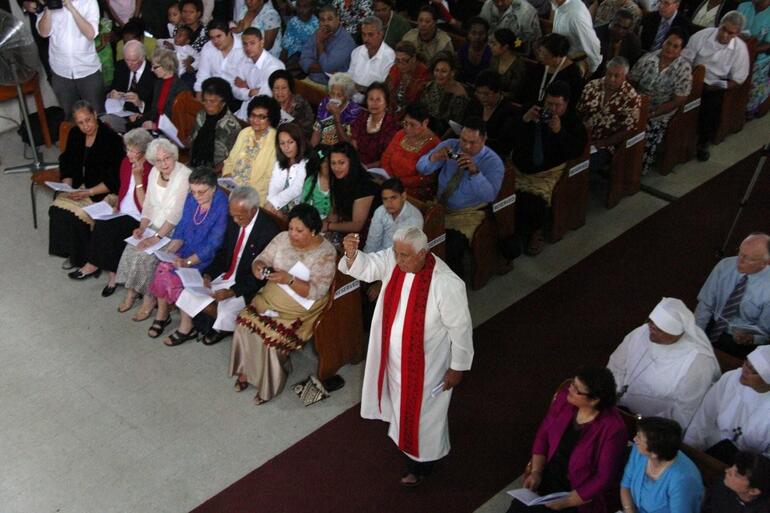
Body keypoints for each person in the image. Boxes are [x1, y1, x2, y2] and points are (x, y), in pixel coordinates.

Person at [339, 226, 474, 487]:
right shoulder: (395, 260)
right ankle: (408, 448)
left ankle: (422, 465)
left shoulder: (445, 283)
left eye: (404, 256)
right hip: (394, 359)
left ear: (423, 253)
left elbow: (461, 329)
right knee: (402, 409)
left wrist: (458, 367)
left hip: (427, 365)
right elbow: (370, 266)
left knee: (424, 417)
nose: (398, 261)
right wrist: (352, 254)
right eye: (396, 253)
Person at [230, 204, 337, 404]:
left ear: (313, 231)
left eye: (299, 231)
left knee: (271, 340)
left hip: (300, 307)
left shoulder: (325, 253)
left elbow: (317, 292)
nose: (293, 234)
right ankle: (246, 371)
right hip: (272, 294)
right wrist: (259, 267)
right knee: (244, 324)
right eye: (290, 228)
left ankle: (267, 385)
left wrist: (289, 279)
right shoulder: (282, 239)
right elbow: (262, 258)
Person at [506, 367, 628, 513]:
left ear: (594, 400)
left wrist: (568, 501)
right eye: (572, 384)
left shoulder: (613, 428)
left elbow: (604, 476)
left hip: (579, 492)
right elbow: (543, 434)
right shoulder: (565, 399)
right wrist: (536, 471)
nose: (570, 389)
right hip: (550, 476)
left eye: (577, 389)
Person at [607, 297, 721, 429]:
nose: (650, 330)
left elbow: (684, 410)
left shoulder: (699, 361)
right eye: (651, 323)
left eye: (659, 329)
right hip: (617, 407)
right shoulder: (642, 332)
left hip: (653, 426)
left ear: (675, 333)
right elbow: (616, 366)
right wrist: (612, 396)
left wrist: (648, 427)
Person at [143, 167, 227, 344]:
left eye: (201, 192)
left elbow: (214, 243)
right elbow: (182, 227)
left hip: (206, 257)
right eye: (193, 191)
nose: (196, 196)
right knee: (163, 266)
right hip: (186, 248)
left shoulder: (222, 206)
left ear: (213, 188)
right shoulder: (191, 199)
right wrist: (171, 250)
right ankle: (162, 313)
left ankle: (186, 326)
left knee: (177, 276)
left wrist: (188, 262)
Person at [192, 186, 282, 345]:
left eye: (239, 217)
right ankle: (216, 321)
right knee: (192, 290)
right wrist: (208, 274)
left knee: (226, 311)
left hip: (245, 282)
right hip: (227, 273)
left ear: (252, 211)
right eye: (232, 215)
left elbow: (261, 277)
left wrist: (233, 292)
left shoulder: (268, 232)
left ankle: (220, 326)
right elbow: (223, 253)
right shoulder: (234, 218)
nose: (234, 221)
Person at [417, 117, 504, 277]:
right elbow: (421, 168)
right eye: (463, 140)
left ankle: (455, 282)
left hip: (468, 213)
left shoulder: (493, 162)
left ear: (483, 139)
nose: (466, 146)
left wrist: (475, 173)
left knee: (451, 246)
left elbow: (490, 195)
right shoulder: (451, 145)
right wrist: (433, 158)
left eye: (472, 142)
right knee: (419, 238)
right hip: (440, 205)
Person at [71, 128, 154, 297]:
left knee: (109, 227)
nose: (128, 154)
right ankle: (95, 263)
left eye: (132, 150)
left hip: (140, 215)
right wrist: (117, 204)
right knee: (102, 220)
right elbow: (123, 187)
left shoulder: (151, 169)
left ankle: (109, 272)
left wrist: (138, 179)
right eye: (127, 149)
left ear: (144, 151)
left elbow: (147, 205)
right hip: (124, 208)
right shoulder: (125, 162)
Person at [116, 138, 192, 319]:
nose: (163, 164)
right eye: (158, 160)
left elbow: (175, 214)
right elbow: (149, 203)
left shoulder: (185, 175)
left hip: (173, 229)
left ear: (174, 156)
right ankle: (131, 293)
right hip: (154, 225)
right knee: (132, 248)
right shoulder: (154, 173)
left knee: (147, 257)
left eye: (167, 158)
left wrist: (156, 237)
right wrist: (143, 227)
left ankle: (149, 300)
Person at [512, 81, 587, 256]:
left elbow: (576, 150)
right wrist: (524, 119)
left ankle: (535, 233)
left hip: (547, 172)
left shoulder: (572, 121)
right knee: (504, 199)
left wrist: (559, 132)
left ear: (566, 104)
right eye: (549, 103)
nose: (552, 108)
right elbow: (508, 134)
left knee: (533, 203)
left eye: (557, 105)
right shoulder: (532, 110)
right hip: (520, 167)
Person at [49, 101, 125, 271]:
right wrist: (67, 184)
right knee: (57, 208)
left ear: (95, 115)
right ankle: (70, 251)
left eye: (88, 120)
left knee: (78, 215)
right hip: (79, 185)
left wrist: (88, 192)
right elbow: (67, 159)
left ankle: (84, 258)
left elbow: (115, 178)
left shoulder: (111, 139)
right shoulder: (75, 133)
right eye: (81, 123)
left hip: (101, 190)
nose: (86, 126)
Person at [683, 11, 750, 161]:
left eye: (730, 33)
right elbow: (686, 58)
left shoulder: (740, 50)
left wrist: (721, 86)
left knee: (711, 108)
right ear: (719, 25)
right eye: (723, 29)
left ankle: (703, 142)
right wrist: (690, 77)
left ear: (737, 34)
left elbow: (738, 79)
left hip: (715, 85)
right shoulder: (703, 36)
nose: (725, 35)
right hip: (692, 77)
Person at [684, 346, 770, 462]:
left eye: (753, 371)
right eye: (746, 363)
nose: (744, 370)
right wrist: (689, 449)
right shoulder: (731, 378)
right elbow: (704, 416)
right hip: (709, 446)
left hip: (744, 466)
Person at [694, 232, 770, 357]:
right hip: (711, 325)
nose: (740, 261)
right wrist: (696, 335)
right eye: (740, 253)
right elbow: (705, 305)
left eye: (749, 258)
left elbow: (765, 332)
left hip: (739, 342)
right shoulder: (725, 265)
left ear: (765, 262)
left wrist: (752, 339)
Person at [628, 28, 692, 175]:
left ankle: (637, 170)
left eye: (675, 46)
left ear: (681, 50)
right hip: (639, 104)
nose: (669, 48)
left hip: (661, 111)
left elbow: (678, 100)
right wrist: (634, 103)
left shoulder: (683, 69)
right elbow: (632, 80)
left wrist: (653, 113)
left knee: (647, 131)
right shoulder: (648, 58)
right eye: (668, 43)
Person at [620, 417, 704, 513]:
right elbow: (626, 485)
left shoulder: (683, 479)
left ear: (654, 453)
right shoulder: (638, 450)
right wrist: (629, 510)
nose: (635, 439)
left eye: (639, 437)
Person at [36, 0, 104, 118]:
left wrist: (71, 8)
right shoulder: (49, 4)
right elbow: (43, 33)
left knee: (96, 116)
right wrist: (48, 8)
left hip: (88, 70)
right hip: (61, 72)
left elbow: (90, 33)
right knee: (71, 118)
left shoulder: (89, 2)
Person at [577, 57, 641, 172]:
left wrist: (601, 143)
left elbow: (628, 129)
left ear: (624, 77)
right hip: (583, 137)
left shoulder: (631, 97)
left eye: (617, 76)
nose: (611, 79)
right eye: (609, 74)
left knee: (584, 166)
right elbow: (579, 113)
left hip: (608, 144)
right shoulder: (592, 86)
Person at [222, 95, 280, 203]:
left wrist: (243, 195)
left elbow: (268, 179)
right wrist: (227, 177)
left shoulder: (275, 141)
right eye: (253, 115)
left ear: (271, 119)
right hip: (231, 188)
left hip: (253, 196)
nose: (256, 120)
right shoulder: (244, 132)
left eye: (262, 117)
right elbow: (229, 161)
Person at [380, 103, 440, 200]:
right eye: (405, 123)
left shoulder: (435, 145)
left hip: (410, 192)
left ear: (425, 123)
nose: (407, 128)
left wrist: (398, 182)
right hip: (388, 180)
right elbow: (386, 156)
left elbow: (426, 178)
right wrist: (389, 176)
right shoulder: (401, 134)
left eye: (412, 125)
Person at [322, 141, 379, 235]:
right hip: (345, 227)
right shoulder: (337, 179)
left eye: (341, 163)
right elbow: (335, 212)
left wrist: (327, 226)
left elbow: (357, 226)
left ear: (351, 162)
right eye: (333, 163)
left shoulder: (365, 186)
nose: (337, 168)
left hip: (369, 233)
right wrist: (323, 225)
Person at [188, 76, 242, 170]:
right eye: (205, 100)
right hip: (195, 163)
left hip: (215, 171)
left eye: (212, 101)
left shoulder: (231, 127)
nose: (207, 105)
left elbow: (230, 160)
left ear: (223, 103)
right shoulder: (202, 115)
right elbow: (193, 140)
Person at [233, 27, 286, 121]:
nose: (248, 48)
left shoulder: (274, 67)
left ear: (262, 43)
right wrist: (250, 92)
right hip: (243, 112)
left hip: (265, 116)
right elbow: (234, 89)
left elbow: (265, 98)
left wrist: (246, 87)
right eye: (245, 44)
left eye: (252, 43)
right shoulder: (244, 60)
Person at [194, 19, 247, 110]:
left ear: (229, 32)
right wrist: (198, 105)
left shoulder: (243, 48)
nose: (216, 41)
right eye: (212, 38)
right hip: (211, 93)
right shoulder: (208, 47)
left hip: (235, 96)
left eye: (219, 36)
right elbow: (203, 75)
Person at [521, 34, 585, 107]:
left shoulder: (572, 73)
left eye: (546, 55)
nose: (540, 56)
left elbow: (572, 102)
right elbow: (527, 89)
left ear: (558, 56)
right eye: (540, 51)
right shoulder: (541, 66)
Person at [364, 178, 424, 254]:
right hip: (378, 256)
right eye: (385, 199)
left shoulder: (414, 219)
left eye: (393, 198)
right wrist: (365, 261)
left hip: (399, 260)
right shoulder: (380, 211)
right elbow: (372, 243)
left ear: (403, 196)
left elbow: (409, 253)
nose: (389, 203)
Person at [299, 5, 356, 85]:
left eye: (330, 19)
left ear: (338, 20)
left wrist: (320, 43)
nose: (326, 23)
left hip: (335, 87)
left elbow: (328, 67)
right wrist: (323, 68)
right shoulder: (318, 33)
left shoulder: (346, 41)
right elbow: (303, 59)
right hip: (311, 80)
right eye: (322, 20)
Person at [468, 70, 516, 160]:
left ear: (498, 92)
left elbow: (503, 146)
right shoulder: (475, 103)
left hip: (492, 156)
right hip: (469, 148)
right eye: (479, 92)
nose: (481, 97)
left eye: (486, 94)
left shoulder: (509, 112)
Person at [420, 52, 469, 138]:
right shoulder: (430, 86)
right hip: (425, 127)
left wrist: (439, 142)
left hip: (445, 135)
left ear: (452, 73)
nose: (439, 75)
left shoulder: (459, 96)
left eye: (443, 71)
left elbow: (455, 127)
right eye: (437, 70)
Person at [702, 451, 770, 513]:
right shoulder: (721, 484)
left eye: (736, 475)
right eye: (732, 467)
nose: (727, 471)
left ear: (753, 491)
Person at [140, 48, 191, 130]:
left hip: (170, 131)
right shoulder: (158, 83)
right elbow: (154, 110)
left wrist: (156, 126)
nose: (151, 70)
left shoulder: (182, 89)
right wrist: (141, 117)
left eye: (155, 67)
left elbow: (177, 119)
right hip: (156, 126)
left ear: (166, 66)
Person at [350, 82, 399, 167]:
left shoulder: (391, 125)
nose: (374, 103)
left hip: (376, 169)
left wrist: (365, 168)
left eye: (378, 99)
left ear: (386, 102)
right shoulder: (362, 117)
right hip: (356, 163)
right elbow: (353, 141)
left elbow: (387, 158)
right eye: (371, 99)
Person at [265, 123, 308, 217]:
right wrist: (271, 204)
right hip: (279, 206)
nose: (286, 147)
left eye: (290, 142)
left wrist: (274, 203)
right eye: (282, 143)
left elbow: (296, 189)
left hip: (298, 210)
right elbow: (274, 184)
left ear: (298, 142)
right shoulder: (279, 160)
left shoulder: (305, 162)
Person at [310, 72, 363, 147]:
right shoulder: (325, 102)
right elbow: (317, 131)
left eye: (339, 95)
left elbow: (347, 144)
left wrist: (336, 116)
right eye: (332, 93)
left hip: (341, 152)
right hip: (324, 149)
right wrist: (311, 153)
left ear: (347, 96)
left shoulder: (354, 111)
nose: (334, 98)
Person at [551, 0, 602, 75]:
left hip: (572, 64)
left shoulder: (575, 16)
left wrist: (591, 70)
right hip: (559, 57)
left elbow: (593, 44)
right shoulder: (561, 6)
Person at [738, 0, 770, 117]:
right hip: (736, 52)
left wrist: (750, 50)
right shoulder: (743, 6)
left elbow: (768, 44)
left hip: (759, 58)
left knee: (751, 85)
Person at [348, 16, 395, 91]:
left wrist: (359, 88)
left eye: (370, 35)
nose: (366, 39)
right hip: (351, 97)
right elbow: (350, 77)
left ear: (380, 34)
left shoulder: (389, 57)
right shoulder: (356, 52)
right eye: (363, 34)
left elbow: (383, 89)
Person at [385, 41, 430, 118]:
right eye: (398, 60)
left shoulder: (424, 75)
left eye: (404, 60)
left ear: (413, 59)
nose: (400, 65)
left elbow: (419, 104)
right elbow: (388, 92)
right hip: (392, 111)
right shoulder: (394, 69)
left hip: (412, 116)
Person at [594, 8, 643, 77]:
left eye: (625, 28)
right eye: (617, 26)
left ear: (630, 29)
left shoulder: (633, 41)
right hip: (596, 74)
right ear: (611, 22)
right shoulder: (597, 35)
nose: (620, 31)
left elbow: (632, 66)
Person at [269, 69, 315, 140]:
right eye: (276, 88)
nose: (280, 92)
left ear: (290, 89)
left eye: (284, 88)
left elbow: (305, 132)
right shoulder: (270, 103)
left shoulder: (300, 105)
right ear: (272, 90)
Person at [487, 28, 527, 102]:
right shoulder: (494, 59)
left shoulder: (518, 65)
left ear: (505, 47)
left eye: (494, 44)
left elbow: (514, 92)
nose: (490, 46)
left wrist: (496, 95)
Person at [457, 17, 492, 85]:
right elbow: (458, 71)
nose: (477, 37)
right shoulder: (463, 49)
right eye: (473, 33)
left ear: (486, 35)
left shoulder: (491, 52)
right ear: (468, 34)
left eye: (481, 33)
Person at [301, 145, 333, 219]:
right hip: (313, 219)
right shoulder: (311, 181)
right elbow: (304, 204)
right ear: (318, 164)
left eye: (330, 162)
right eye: (324, 162)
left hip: (333, 222)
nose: (327, 165)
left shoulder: (337, 181)